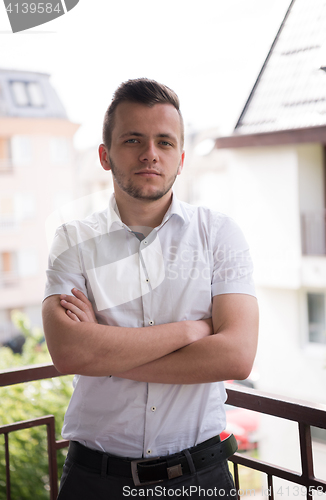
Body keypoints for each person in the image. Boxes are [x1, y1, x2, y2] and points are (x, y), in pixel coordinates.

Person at [42, 78, 259, 499]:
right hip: (95, 480)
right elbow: (69, 352)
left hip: (200, 478)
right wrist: (191, 332)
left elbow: (236, 356)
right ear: (105, 156)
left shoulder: (220, 235)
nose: (149, 154)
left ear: (181, 157)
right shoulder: (71, 239)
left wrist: (102, 354)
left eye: (164, 142)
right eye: (133, 140)